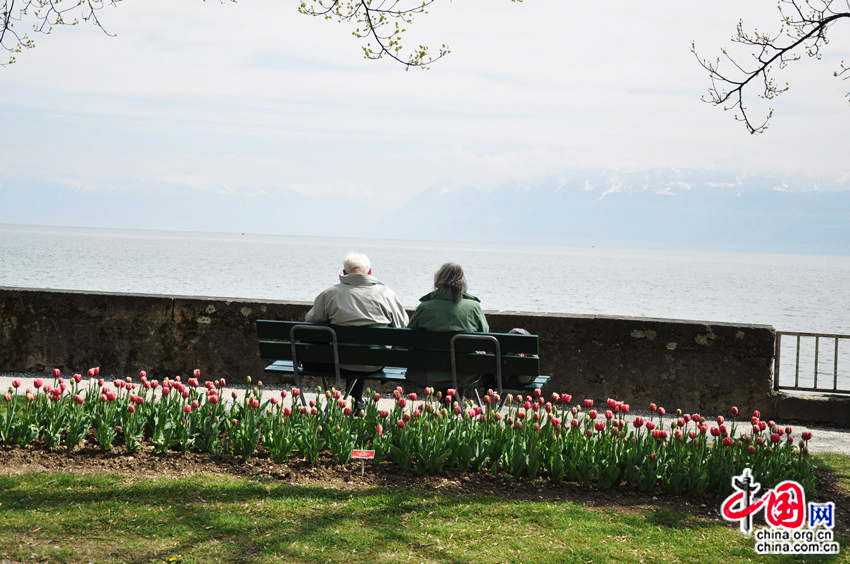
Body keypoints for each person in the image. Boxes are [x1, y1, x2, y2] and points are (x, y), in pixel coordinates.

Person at [305, 252, 408, 413]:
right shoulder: (386, 293)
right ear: (370, 272)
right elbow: (403, 325)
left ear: (345, 273)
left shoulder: (330, 294)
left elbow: (310, 320)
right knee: (363, 350)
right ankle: (357, 402)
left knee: (348, 349)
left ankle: (356, 401)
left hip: (340, 362)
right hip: (375, 363)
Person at [406, 262, 488, 391]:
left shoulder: (425, 307)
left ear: (439, 279)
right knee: (462, 361)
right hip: (467, 374)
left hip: (429, 373)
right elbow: (485, 337)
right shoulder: (474, 307)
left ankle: (449, 405)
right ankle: (453, 406)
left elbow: (408, 338)